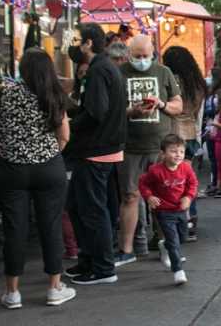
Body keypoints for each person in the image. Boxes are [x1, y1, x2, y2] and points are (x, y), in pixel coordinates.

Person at [0, 48, 76, 307]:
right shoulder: (53, 94)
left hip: (11, 168)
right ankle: (54, 287)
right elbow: (65, 136)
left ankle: (12, 292)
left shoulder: (4, 92)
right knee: (50, 226)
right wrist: (48, 154)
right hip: (48, 168)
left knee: (14, 228)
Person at [63, 23, 128, 286]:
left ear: (88, 43)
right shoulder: (101, 68)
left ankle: (103, 267)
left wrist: (69, 125)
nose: (73, 45)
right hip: (97, 149)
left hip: (97, 150)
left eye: (76, 39)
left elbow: (96, 112)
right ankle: (89, 259)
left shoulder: (100, 70)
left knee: (93, 210)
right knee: (78, 207)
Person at [116, 35, 182, 265]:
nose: (142, 60)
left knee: (162, 198)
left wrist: (161, 104)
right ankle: (126, 249)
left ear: (153, 53)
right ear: (128, 54)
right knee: (130, 196)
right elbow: (112, 111)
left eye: (146, 56)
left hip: (159, 146)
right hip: (130, 147)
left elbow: (178, 105)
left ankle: (167, 245)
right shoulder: (119, 73)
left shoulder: (163, 72)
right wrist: (131, 111)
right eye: (137, 56)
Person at [139, 134, 197, 285]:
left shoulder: (185, 168)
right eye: (173, 151)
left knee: (182, 237)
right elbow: (143, 183)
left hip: (180, 209)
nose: (178, 155)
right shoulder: (155, 170)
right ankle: (178, 270)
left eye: (181, 152)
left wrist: (188, 197)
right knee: (173, 240)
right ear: (163, 154)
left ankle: (164, 246)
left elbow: (193, 184)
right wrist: (149, 197)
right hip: (163, 210)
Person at [162, 46, 208, 239]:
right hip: (191, 135)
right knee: (188, 182)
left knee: (173, 183)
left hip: (173, 134)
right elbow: (199, 114)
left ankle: (179, 223)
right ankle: (191, 221)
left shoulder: (172, 81)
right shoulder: (198, 83)